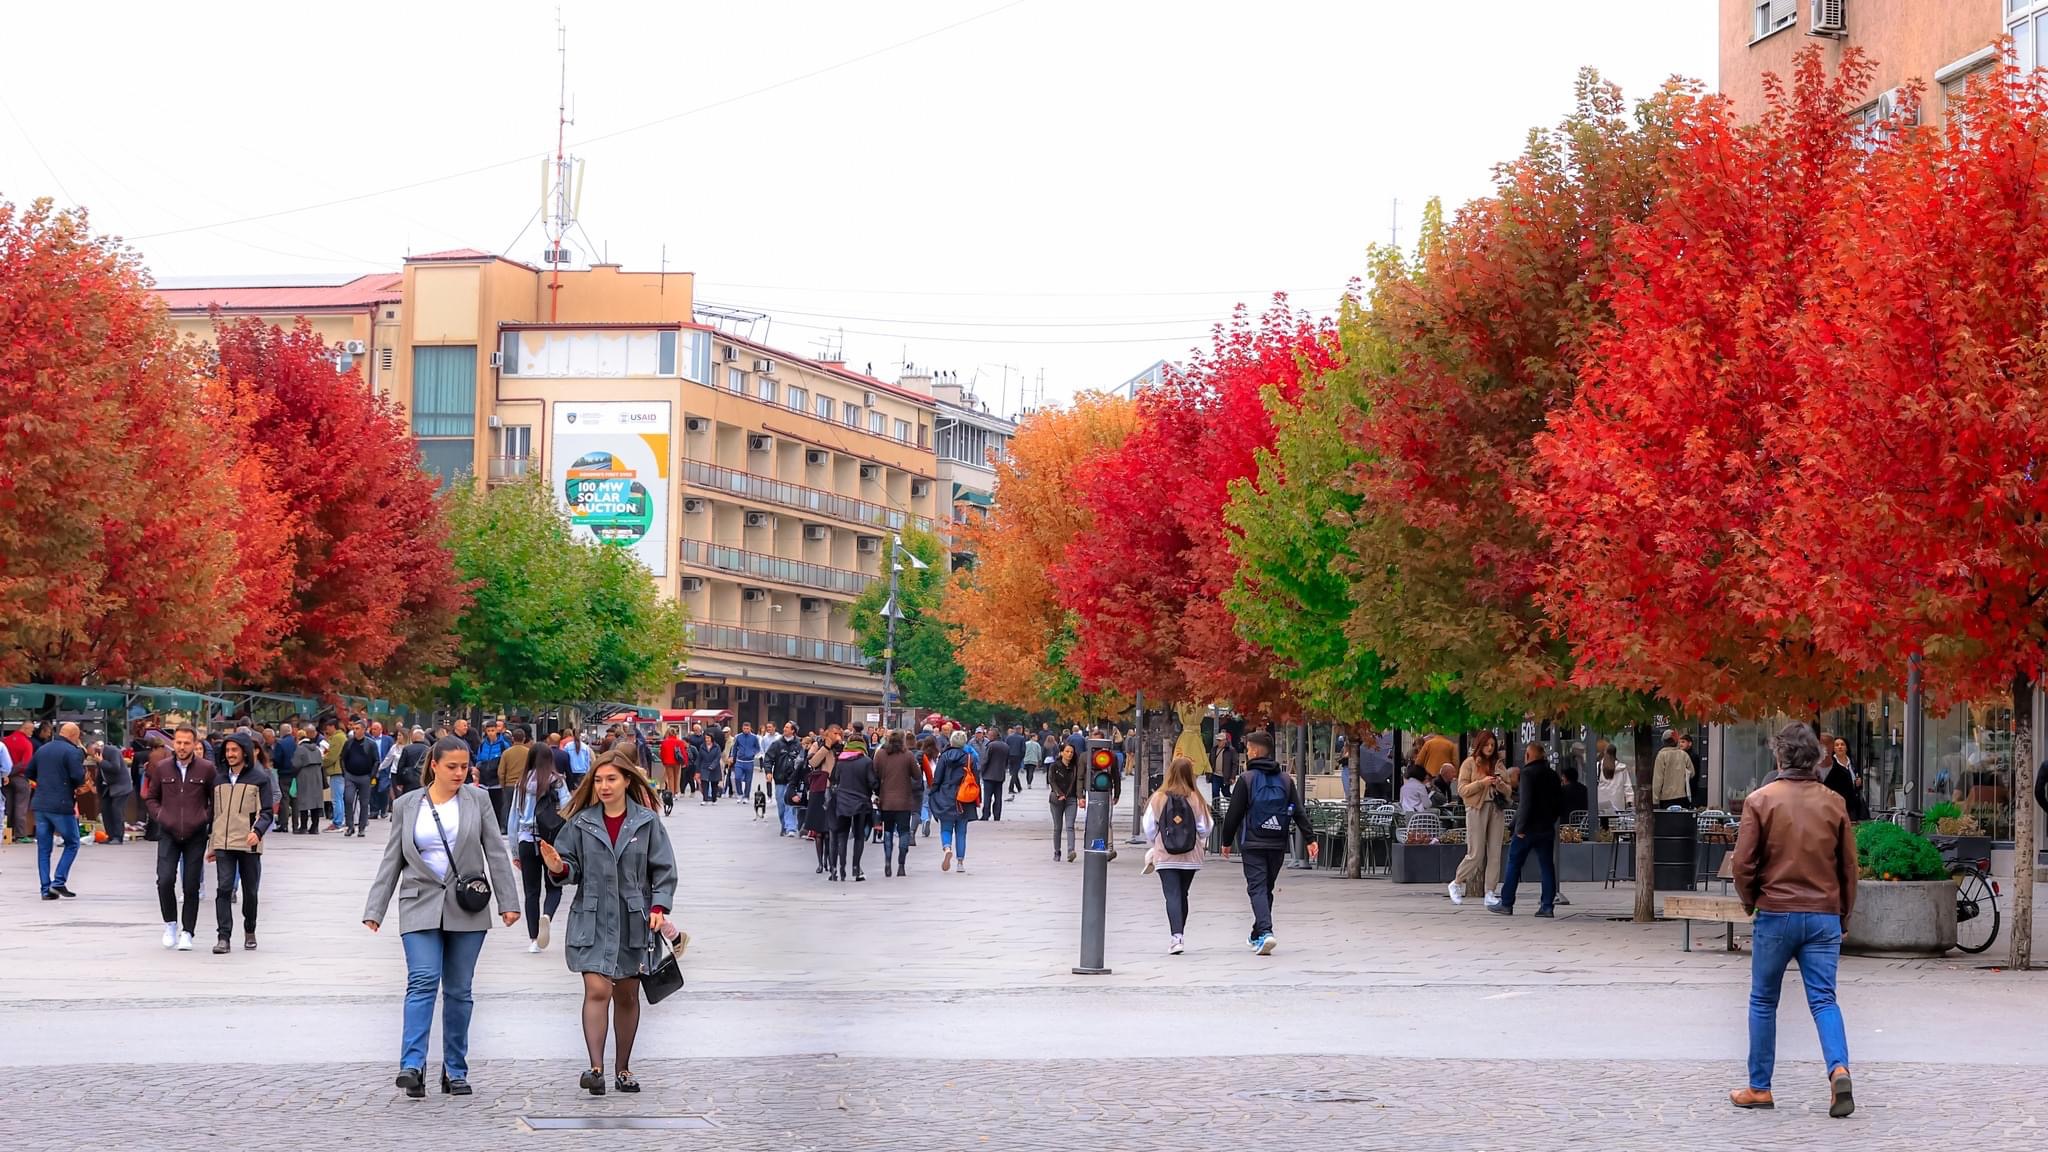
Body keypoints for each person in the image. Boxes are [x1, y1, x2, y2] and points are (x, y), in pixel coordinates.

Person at [362, 736, 521, 1099]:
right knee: (422, 980)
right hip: (418, 902)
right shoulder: (406, 805)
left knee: (459, 991)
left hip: (467, 906)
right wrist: (376, 908)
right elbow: (392, 859)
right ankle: (412, 1066)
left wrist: (508, 902)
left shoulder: (478, 800)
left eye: (465, 767)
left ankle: (455, 1068)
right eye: (452, 767)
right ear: (433, 765)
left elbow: (495, 853)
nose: (459, 773)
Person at [1729, 722, 1857, 1119]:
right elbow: (1848, 866)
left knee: (1764, 1000)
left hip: (1776, 912)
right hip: (1823, 916)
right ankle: (1838, 1069)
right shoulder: (1834, 802)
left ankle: (1759, 1087)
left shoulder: (1760, 800)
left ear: (1779, 756)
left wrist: (1752, 902)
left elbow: (1743, 863)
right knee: (1824, 999)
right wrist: (1844, 914)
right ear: (1816, 759)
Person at [537, 751, 678, 1096]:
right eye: (598, 780)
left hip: (634, 919)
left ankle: (623, 1068)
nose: (603, 786)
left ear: (627, 781)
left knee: (627, 994)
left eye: (611, 779)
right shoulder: (581, 823)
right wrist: (558, 866)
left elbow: (663, 869)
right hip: (593, 916)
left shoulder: (646, 823)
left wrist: (659, 906)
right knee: (598, 989)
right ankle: (595, 1068)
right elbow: (569, 868)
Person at [1216, 731, 1313, 955]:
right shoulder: (1285, 780)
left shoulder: (1247, 779)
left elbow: (1234, 814)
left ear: (1257, 751)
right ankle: (1257, 933)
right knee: (1265, 888)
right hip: (1278, 842)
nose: (1247, 752)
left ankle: (1266, 932)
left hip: (1253, 842)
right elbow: (1298, 811)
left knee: (1257, 888)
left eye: (1249, 748)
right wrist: (1310, 838)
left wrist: (1226, 841)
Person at [144, 725, 218, 948]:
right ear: (172, 743)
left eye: (187, 743)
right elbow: (151, 797)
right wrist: (161, 815)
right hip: (168, 830)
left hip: (195, 832)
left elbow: (215, 799)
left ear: (195, 744)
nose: (182, 747)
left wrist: (204, 818)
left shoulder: (206, 769)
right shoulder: (162, 767)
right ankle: (170, 923)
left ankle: (188, 931)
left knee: (191, 884)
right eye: (178, 742)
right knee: (164, 879)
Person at [206, 733, 278, 953]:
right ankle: (223, 937)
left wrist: (257, 831)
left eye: (234, 750)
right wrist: (211, 845)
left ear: (245, 752)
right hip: (224, 844)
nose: (230, 754)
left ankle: (249, 930)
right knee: (223, 888)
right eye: (227, 750)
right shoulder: (218, 780)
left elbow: (266, 812)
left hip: (249, 843)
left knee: (250, 891)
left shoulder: (259, 778)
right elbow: (214, 814)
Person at [1144, 755, 1213, 954]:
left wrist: (1157, 841)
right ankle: (1179, 932)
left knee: (1171, 895)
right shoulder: (1195, 797)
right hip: (1190, 856)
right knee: (1183, 894)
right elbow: (1206, 827)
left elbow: (1149, 827)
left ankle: (1177, 937)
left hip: (1165, 855)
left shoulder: (1158, 797)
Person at [509, 735, 571, 955]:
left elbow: (513, 819)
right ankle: (548, 915)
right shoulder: (558, 781)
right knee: (554, 886)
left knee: (531, 892)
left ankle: (534, 938)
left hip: (527, 840)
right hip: (551, 841)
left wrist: (515, 851)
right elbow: (568, 811)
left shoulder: (522, 784)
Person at [1490, 743, 1561, 918]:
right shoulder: (1552, 775)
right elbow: (1558, 803)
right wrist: (1550, 820)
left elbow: (1526, 803)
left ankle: (1506, 903)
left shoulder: (1527, 774)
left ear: (1528, 755)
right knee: (1546, 866)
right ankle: (1547, 906)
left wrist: (1519, 828)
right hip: (1546, 827)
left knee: (1514, 864)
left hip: (1528, 829)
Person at [1448, 732, 1510, 908]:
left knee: (1495, 852)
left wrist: (1499, 784)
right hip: (1476, 808)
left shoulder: (1498, 764)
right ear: (1479, 745)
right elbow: (1462, 790)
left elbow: (1508, 790)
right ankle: (1457, 881)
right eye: (1487, 745)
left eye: (1492, 745)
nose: (1490, 748)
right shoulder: (1469, 763)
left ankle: (1490, 891)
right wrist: (1482, 783)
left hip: (1496, 807)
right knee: (1476, 853)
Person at [28, 722, 88, 900]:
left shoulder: (43, 749)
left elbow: (29, 772)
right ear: (75, 736)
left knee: (44, 848)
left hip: (40, 803)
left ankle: (45, 889)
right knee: (72, 842)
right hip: (61, 804)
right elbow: (78, 777)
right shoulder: (72, 752)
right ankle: (58, 881)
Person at [929, 729, 979, 873]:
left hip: (945, 795)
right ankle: (960, 862)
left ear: (951, 741)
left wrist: (933, 792)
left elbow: (937, 777)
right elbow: (975, 777)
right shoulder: (969, 758)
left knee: (945, 828)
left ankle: (947, 848)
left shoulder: (944, 757)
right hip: (963, 798)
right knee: (961, 831)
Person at [831, 733, 878, 882]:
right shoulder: (866, 761)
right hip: (861, 802)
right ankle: (856, 869)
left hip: (842, 801)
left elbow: (834, 779)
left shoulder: (840, 761)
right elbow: (872, 783)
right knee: (859, 836)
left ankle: (840, 869)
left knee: (842, 836)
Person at [874, 730, 921, 878]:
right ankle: (901, 864)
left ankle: (888, 861)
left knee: (887, 831)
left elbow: (875, 774)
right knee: (904, 832)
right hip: (904, 801)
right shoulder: (908, 756)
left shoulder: (880, 754)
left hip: (886, 800)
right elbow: (917, 776)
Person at [802, 733, 837, 874]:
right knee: (818, 832)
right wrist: (826, 747)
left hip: (833, 789)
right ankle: (820, 863)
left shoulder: (840, 748)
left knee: (828, 831)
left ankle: (829, 861)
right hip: (819, 790)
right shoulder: (818, 745)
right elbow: (812, 763)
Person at [341, 720, 380, 838]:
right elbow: (342, 758)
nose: (355, 731)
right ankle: (350, 826)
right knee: (348, 799)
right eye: (354, 728)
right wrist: (345, 773)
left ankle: (362, 828)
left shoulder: (371, 744)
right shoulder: (349, 743)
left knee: (364, 803)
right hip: (351, 776)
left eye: (357, 728)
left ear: (364, 730)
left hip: (365, 776)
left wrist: (371, 776)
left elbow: (376, 760)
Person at [1047, 741, 1082, 863]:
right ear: (1061, 753)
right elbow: (1051, 781)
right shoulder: (1054, 766)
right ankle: (1057, 851)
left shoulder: (1075, 767)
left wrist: (1080, 796)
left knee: (1070, 826)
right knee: (1058, 827)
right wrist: (1059, 794)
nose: (1069, 754)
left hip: (1071, 799)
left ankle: (1071, 851)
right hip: (1056, 800)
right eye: (1067, 751)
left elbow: (1079, 782)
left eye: (1071, 752)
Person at [770, 722, 805, 837]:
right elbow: (768, 758)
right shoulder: (777, 744)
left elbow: (803, 760)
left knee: (790, 804)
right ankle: (784, 825)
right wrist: (768, 771)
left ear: (793, 730)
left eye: (787, 727)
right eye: (784, 727)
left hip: (793, 780)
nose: (784, 729)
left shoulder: (799, 745)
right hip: (780, 779)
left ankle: (791, 828)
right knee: (781, 804)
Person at [1822, 735, 1868, 822]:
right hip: (1837, 804)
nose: (1840, 747)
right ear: (1833, 749)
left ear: (1846, 748)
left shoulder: (1852, 763)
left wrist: (1859, 783)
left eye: (1842, 744)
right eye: (1837, 745)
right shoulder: (1831, 764)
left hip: (1853, 804)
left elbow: (1856, 780)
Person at [96, 739, 133, 844]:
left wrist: (101, 762)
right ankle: (111, 835)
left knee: (116, 809)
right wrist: (98, 789)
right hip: (109, 787)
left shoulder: (113, 751)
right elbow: (100, 774)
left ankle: (118, 836)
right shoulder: (98, 755)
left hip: (121, 786)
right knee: (105, 809)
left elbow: (115, 767)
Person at [475, 720, 511, 827]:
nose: (491, 733)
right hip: (484, 781)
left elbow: (507, 761)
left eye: (493, 730)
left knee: (497, 805)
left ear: (497, 730)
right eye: (489, 730)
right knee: (485, 806)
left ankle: (498, 825)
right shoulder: (482, 745)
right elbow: (478, 759)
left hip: (496, 781)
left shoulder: (503, 745)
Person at [292, 727, 326, 834]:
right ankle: (315, 827)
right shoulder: (316, 749)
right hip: (317, 777)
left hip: (304, 777)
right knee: (316, 802)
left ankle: (303, 827)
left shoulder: (300, 749)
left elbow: (295, 764)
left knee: (304, 801)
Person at [1652, 729, 1695, 809]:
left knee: (1668, 821)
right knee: (1680, 820)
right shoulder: (1684, 755)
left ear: (1664, 742)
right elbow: (1692, 773)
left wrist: (1655, 799)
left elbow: (1658, 779)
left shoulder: (1661, 755)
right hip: (1682, 796)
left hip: (1666, 798)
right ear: (1676, 741)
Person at [978, 732, 1011, 822]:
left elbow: (985, 760)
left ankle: (985, 815)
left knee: (987, 797)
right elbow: (1007, 761)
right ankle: (997, 815)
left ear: (993, 736)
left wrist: (982, 771)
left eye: (989, 735)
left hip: (989, 775)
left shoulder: (991, 745)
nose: (987, 736)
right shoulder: (1006, 746)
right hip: (1000, 775)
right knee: (998, 797)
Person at [321, 719, 346, 831]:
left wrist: (322, 761)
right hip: (340, 771)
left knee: (336, 798)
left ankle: (337, 822)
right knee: (339, 798)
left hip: (337, 771)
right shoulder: (341, 737)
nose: (326, 730)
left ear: (333, 726)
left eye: (327, 727)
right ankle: (341, 820)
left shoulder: (337, 738)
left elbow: (332, 756)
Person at [1597, 741, 1633, 817]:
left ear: (1604, 752)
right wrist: (1630, 801)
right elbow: (1627, 786)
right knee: (1617, 826)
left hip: (1601, 804)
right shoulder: (1622, 768)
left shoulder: (1598, 766)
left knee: (1602, 825)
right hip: (1618, 804)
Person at [731, 722, 761, 802]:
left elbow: (758, 748)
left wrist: (752, 753)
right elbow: (734, 747)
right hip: (739, 761)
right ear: (742, 728)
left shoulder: (754, 737)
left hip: (749, 761)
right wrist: (732, 756)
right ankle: (740, 794)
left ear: (750, 728)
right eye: (744, 728)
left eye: (747, 728)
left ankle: (746, 796)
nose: (746, 730)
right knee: (737, 777)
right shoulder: (738, 737)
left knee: (748, 780)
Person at [1211, 730, 1241, 807]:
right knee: (1215, 792)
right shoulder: (1214, 749)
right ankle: (1216, 811)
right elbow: (1211, 761)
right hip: (1215, 775)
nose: (1218, 742)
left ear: (1224, 741)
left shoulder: (1231, 750)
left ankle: (1235, 806)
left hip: (1225, 776)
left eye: (1220, 740)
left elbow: (1235, 764)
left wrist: (1232, 777)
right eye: (1217, 740)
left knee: (1226, 793)